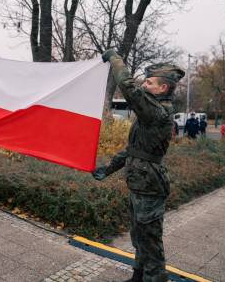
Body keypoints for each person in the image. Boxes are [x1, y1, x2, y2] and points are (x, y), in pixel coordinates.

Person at [93, 50, 185, 282]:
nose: (144, 84)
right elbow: (133, 150)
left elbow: (128, 86)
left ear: (163, 88)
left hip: (150, 187)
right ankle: (138, 277)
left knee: (151, 242)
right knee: (139, 236)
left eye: (150, 82)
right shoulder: (149, 114)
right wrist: (109, 167)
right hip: (140, 185)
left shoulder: (158, 113)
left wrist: (115, 58)